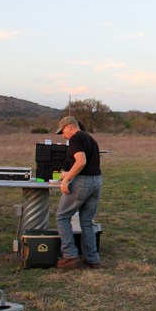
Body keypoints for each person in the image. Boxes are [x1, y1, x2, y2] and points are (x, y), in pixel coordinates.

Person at [54, 116, 102, 270]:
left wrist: (66, 179)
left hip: (82, 183)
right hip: (96, 182)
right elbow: (86, 163)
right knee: (87, 221)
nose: (63, 135)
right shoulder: (89, 138)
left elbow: (81, 161)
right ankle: (92, 259)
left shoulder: (75, 139)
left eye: (62, 131)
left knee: (62, 216)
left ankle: (70, 256)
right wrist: (67, 173)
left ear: (69, 127)